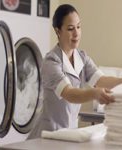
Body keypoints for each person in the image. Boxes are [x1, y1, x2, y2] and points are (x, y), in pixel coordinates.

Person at [27, 4, 122, 139]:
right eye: (70, 29)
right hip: (47, 135)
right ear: (58, 31)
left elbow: (102, 81)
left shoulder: (82, 58)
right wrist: (94, 93)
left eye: (78, 26)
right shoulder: (51, 62)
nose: (76, 33)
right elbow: (69, 93)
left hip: (69, 134)